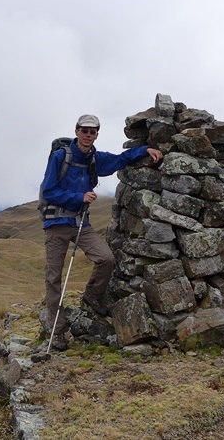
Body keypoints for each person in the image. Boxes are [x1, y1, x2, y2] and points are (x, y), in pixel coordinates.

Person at [40, 114, 164, 351]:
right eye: (84, 131)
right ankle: (57, 332)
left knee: (105, 258)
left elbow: (120, 159)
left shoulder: (94, 159)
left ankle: (92, 296)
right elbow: (49, 191)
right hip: (56, 224)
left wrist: (146, 149)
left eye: (93, 132)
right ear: (76, 131)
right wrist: (79, 197)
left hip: (80, 224)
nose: (88, 135)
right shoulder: (60, 157)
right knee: (54, 278)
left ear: (97, 134)